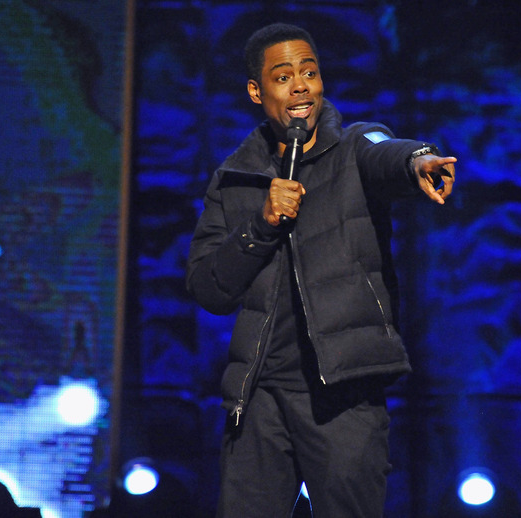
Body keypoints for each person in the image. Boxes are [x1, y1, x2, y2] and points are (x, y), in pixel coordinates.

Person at [186, 22, 456, 518]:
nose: (300, 87)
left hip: (343, 395)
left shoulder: (355, 145)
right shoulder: (235, 179)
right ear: (256, 91)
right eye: (283, 77)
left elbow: (386, 153)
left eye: (309, 73)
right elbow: (208, 288)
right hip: (261, 396)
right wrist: (261, 225)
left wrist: (418, 160)